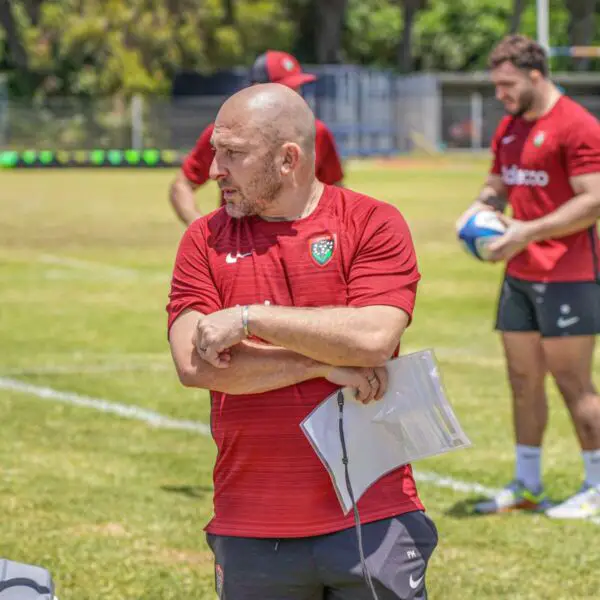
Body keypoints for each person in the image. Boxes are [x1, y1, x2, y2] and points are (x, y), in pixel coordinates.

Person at [167, 83, 438, 599]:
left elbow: (373, 337)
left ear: (288, 158)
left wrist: (246, 319)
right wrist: (320, 365)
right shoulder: (202, 239)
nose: (214, 170)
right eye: (215, 151)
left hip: (374, 517)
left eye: (234, 154)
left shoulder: (372, 222)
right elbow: (194, 364)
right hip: (251, 521)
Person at [456, 34, 600, 519]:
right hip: (519, 274)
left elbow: (593, 200)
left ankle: (597, 486)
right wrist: (480, 209)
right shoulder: (511, 128)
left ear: (536, 75)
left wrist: (527, 232)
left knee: (573, 383)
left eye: (508, 84)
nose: (501, 94)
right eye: (496, 85)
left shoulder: (576, 126)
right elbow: (498, 184)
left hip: (569, 273)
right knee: (522, 380)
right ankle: (528, 485)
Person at [169, 50, 344, 226]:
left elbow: (335, 193)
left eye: (298, 89)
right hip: (237, 249)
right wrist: (203, 232)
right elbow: (181, 186)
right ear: (256, 90)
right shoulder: (225, 135)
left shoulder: (317, 133)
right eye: (286, 90)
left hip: (299, 247)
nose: (295, 97)